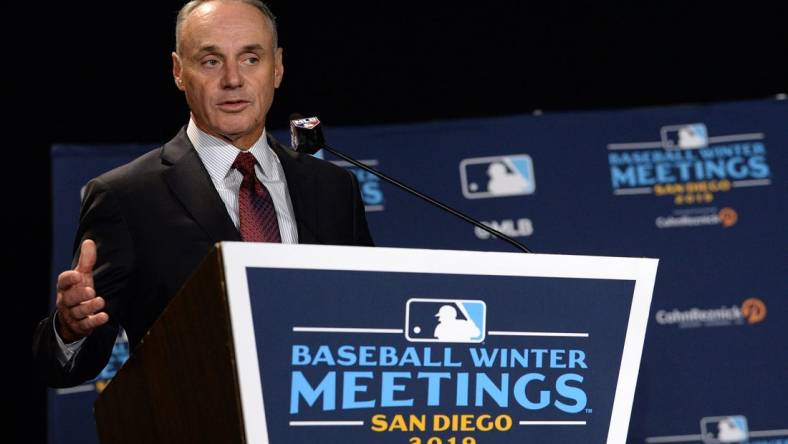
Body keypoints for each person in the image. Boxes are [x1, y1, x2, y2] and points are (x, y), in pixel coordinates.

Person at [33, 0, 373, 388]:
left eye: (250, 58)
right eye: (211, 61)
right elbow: (60, 367)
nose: (233, 79)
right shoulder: (126, 197)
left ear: (277, 67)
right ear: (179, 71)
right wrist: (71, 329)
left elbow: (369, 316)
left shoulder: (332, 187)